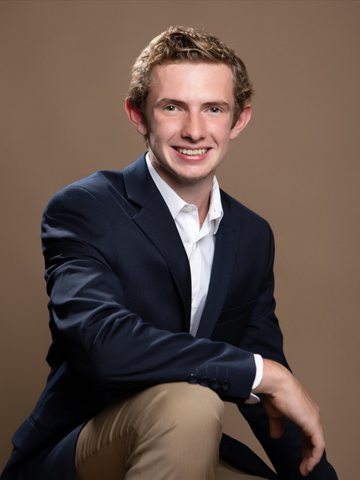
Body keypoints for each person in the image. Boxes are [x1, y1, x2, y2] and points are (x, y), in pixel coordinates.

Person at [1, 26, 338, 480]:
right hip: (79, 452)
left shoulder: (252, 236)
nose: (194, 131)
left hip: (187, 441)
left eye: (213, 109)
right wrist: (262, 373)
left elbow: (273, 405)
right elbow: (105, 345)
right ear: (138, 115)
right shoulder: (85, 208)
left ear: (238, 120)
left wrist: (316, 471)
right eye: (173, 107)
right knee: (193, 403)